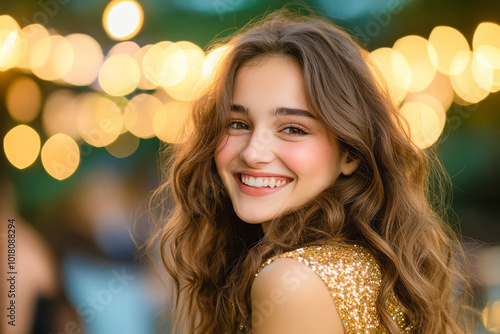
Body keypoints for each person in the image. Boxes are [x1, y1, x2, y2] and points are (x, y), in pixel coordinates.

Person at [147, 9, 473, 333]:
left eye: (293, 129)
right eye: (237, 123)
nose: (253, 152)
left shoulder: (292, 282)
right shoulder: (366, 265)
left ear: (350, 153)